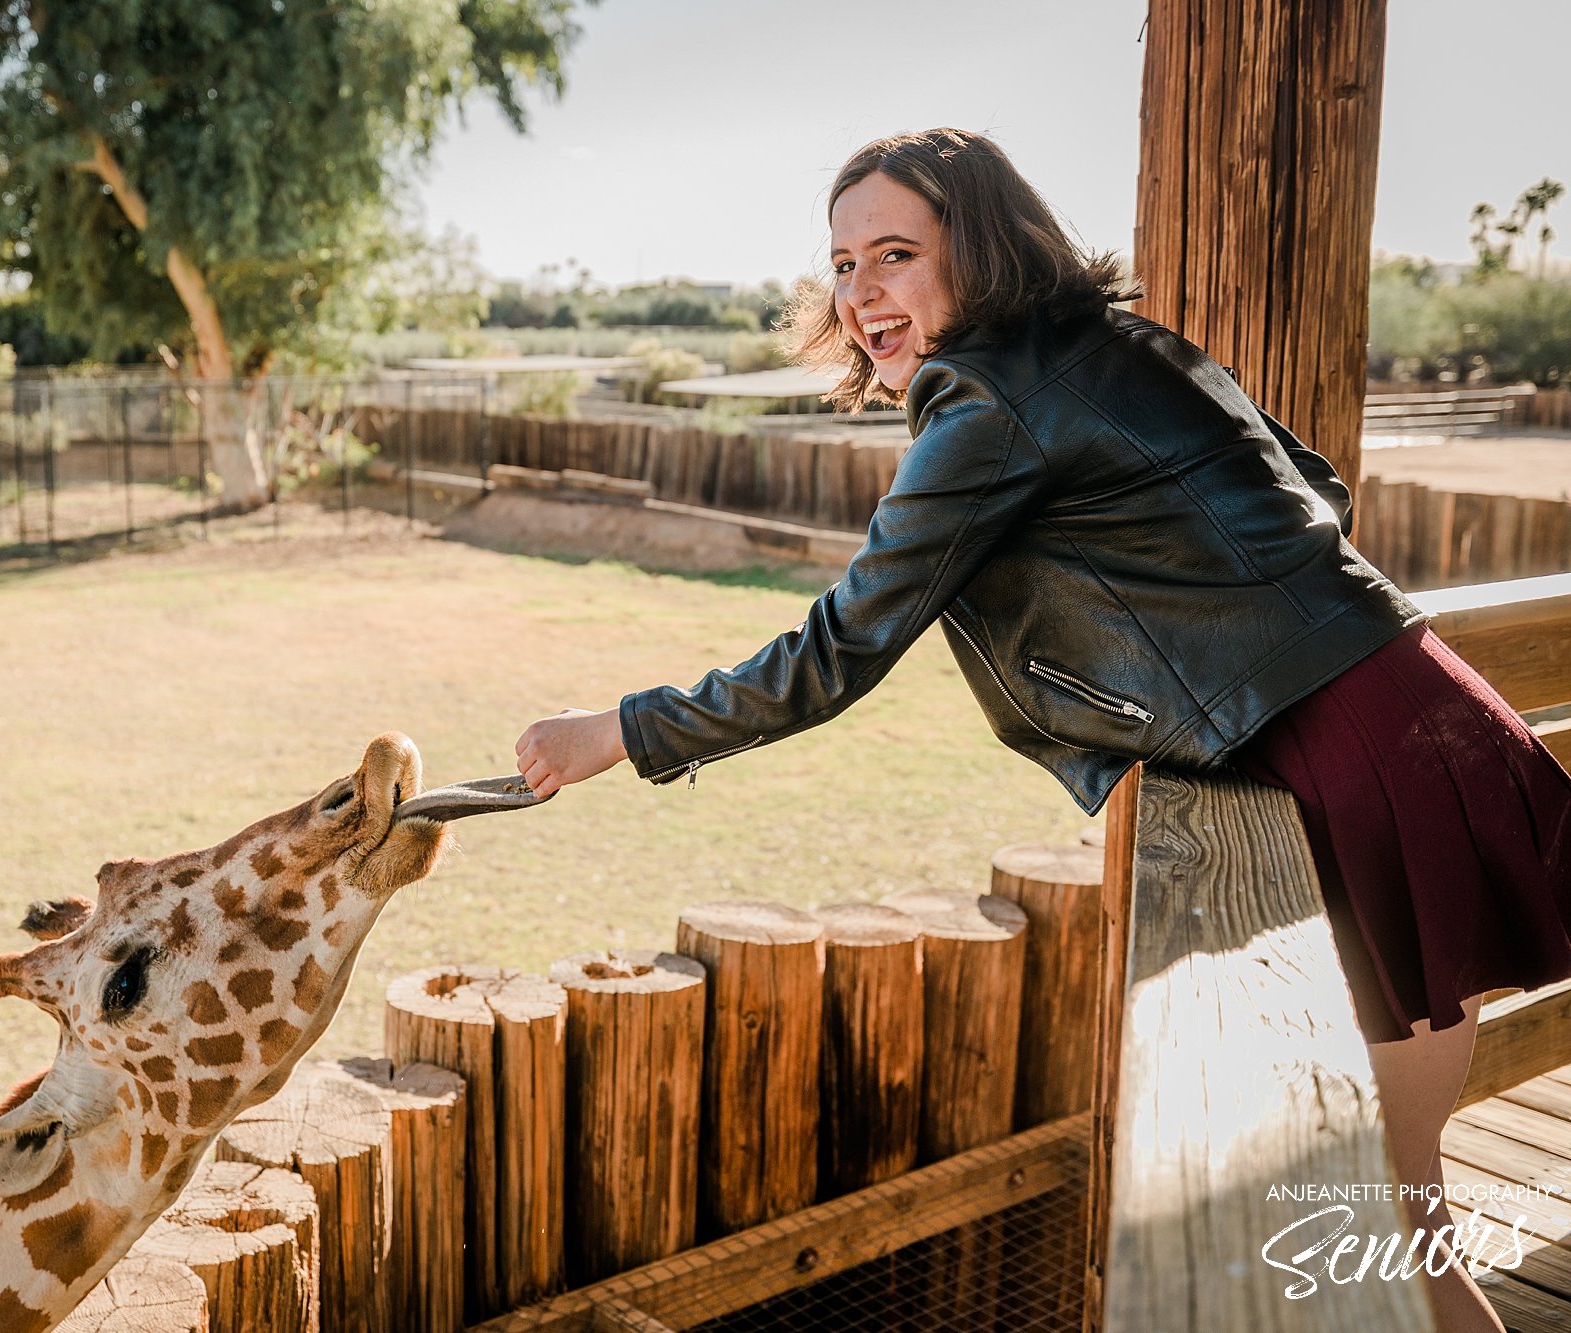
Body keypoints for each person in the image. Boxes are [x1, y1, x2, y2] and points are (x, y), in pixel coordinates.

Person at [514, 128, 1569, 1333]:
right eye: (843, 262)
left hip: (1350, 759)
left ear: (981, 249)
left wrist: (622, 729)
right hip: (1420, 714)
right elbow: (1311, 487)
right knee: (1399, 1215)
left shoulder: (985, 395)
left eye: (895, 254)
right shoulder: (1106, 339)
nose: (860, 292)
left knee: (1364, 1236)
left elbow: (841, 646)